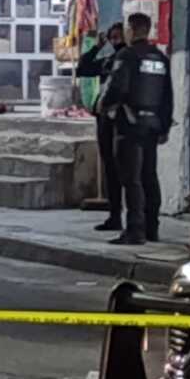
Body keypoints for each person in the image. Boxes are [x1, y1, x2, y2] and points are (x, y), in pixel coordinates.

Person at [98, 12, 174, 246]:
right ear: (148, 30)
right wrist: (164, 125)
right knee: (149, 176)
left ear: (131, 30)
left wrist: (105, 105)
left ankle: (134, 230)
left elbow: (117, 88)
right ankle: (152, 228)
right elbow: (167, 96)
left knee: (131, 179)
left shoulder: (127, 56)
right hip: (152, 124)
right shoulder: (160, 58)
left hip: (129, 124)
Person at [75, 22, 126, 231]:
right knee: (111, 172)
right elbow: (83, 69)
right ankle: (115, 216)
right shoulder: (110, 60)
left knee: (128, 174)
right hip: (105, 121)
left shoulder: (127, 60)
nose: (115, 42)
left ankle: (137, 222)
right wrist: (97, 46)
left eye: (118, 37)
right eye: (112, 38)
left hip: (121, 123)